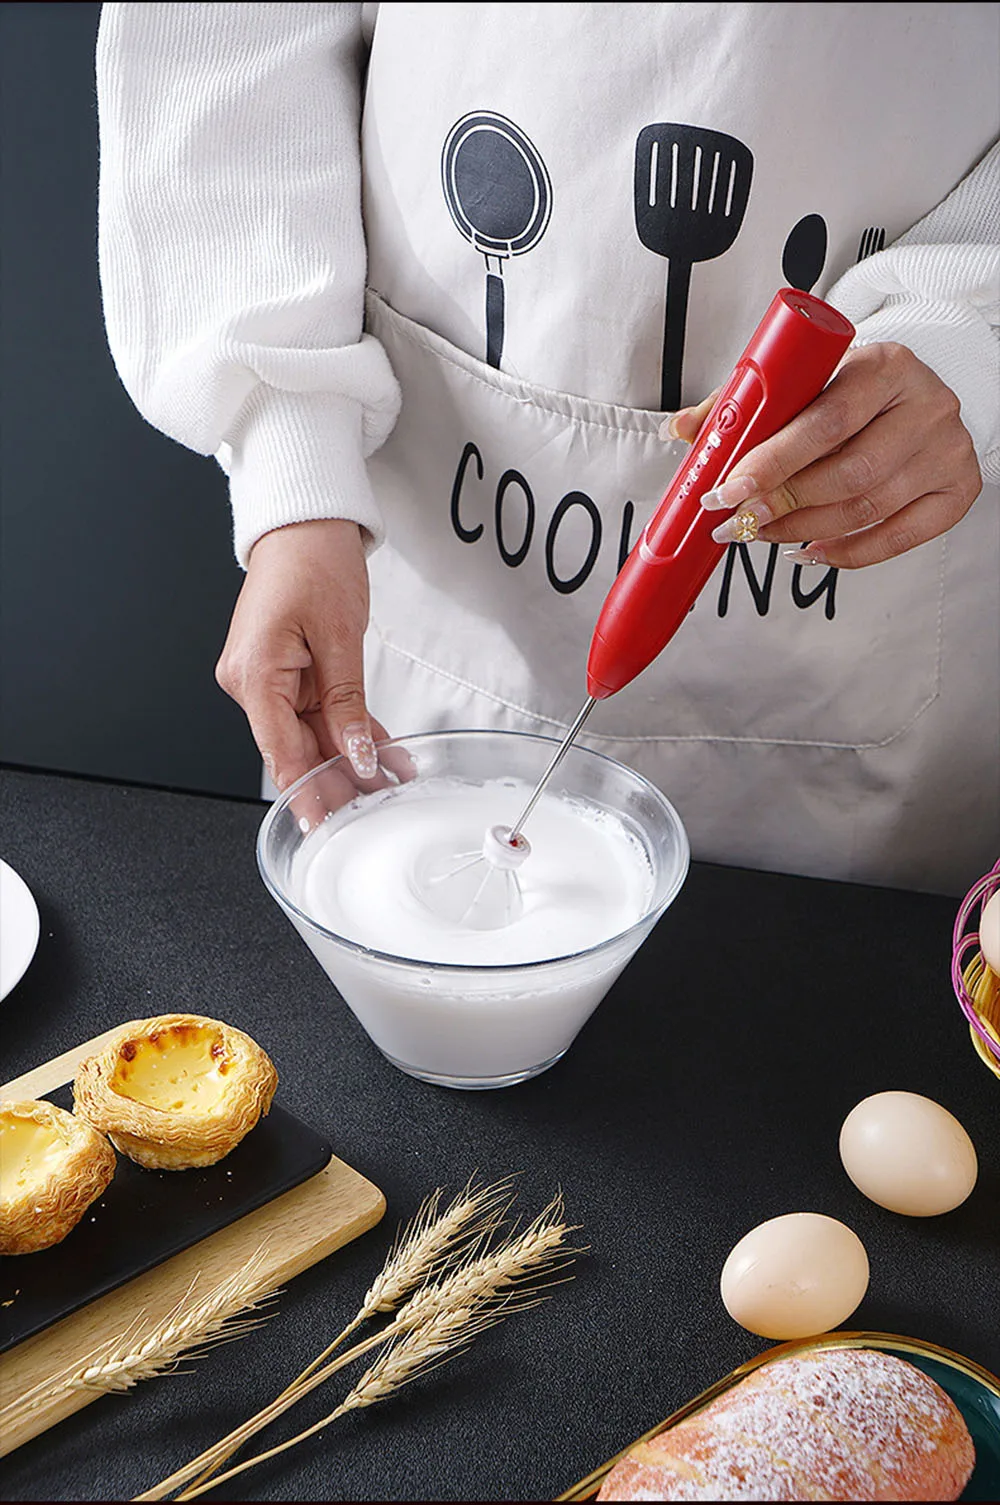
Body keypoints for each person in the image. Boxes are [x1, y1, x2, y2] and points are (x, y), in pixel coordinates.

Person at [95, 2, 999, 895]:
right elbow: (226, 41)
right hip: (417, 584)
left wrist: (965, 335)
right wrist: (295, 474)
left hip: (858, 715)